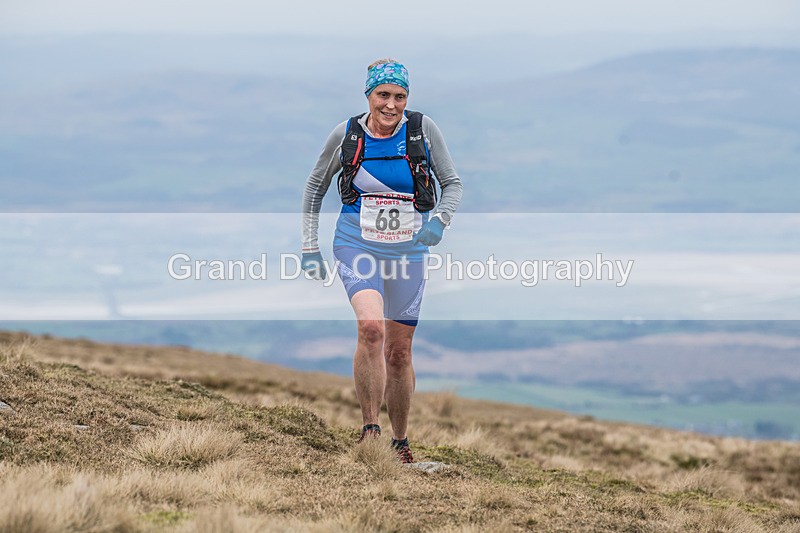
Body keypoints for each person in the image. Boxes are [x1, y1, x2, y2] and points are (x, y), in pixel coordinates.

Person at [300, 59, 462, 463]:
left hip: (408, 252)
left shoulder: (423, 131)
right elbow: (315, 188)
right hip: (357, 244)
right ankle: (370, 428)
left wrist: (440, 221)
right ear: (368, 95)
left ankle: (400, 439)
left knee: (399, 352)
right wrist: (308, 247)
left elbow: (453, 184)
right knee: (371, 330)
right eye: (383, 95)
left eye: (400, 96)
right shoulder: (348, 134)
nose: (391, 105)